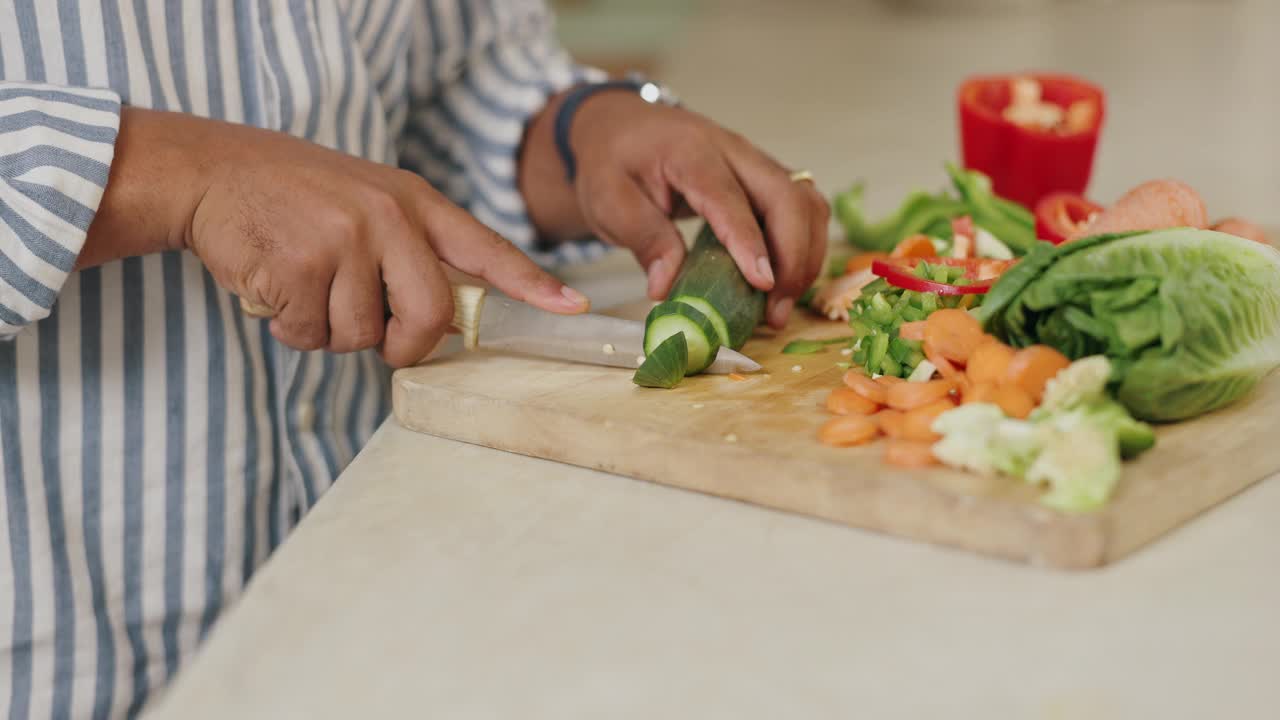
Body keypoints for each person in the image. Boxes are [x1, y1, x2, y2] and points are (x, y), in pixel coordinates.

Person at [0, 1, 828, 717]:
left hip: (373, 616)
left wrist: (581, 130)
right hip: (63, 663)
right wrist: (176, 174)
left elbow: (451, 78)